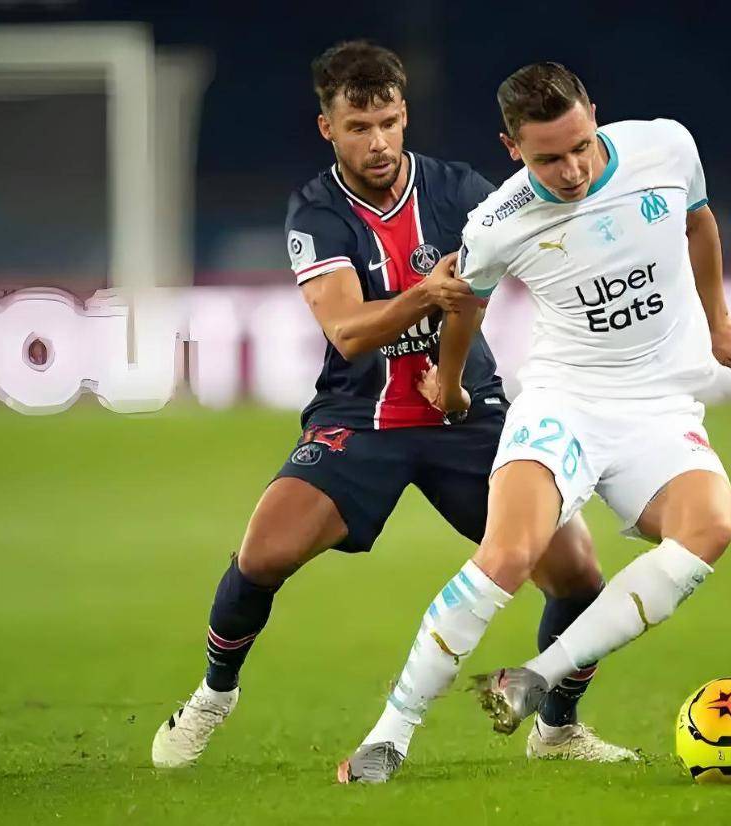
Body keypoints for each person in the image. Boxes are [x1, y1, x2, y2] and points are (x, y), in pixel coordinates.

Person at [152, 43, 634, 782]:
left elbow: (547, 242)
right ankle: (214, 696)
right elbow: (347, 330)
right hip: (361, 417)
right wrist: (427, 294)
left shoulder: (461, 189)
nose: (376, 142)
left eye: (387, 123)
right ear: (328, 128)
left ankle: (558, 727)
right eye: (358, 127)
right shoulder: (317, 211)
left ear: (404, 115)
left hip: (468, 414)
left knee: (578, 577)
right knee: (263, 555)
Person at [355, 60, 731, 748]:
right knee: (508, 554)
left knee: (709, 529)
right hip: (564, 402)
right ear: (511, 147)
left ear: (594, 114)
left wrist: (719, 322)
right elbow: (464, 306)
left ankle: (535, 679)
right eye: (548, 159)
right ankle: (388, 736)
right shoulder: (496, 222)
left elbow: (698, 223)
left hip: (659, 407)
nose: (572, 170)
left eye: (581, 146)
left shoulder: (666, 147)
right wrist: (450, 385)